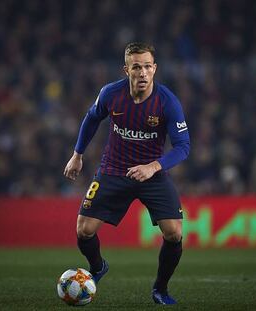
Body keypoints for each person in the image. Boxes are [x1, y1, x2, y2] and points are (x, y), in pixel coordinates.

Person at [63, 42, 190, 305]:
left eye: (147, 67)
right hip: (113, 170)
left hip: (152, 174)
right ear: (126, 70)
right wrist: (78, 154)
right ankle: (97, 267)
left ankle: (160, 289)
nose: (142, 72)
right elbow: (91, 118)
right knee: (83, 230)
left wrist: (154, 166)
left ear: (155, 69)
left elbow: (183, 147)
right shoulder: (111, 94)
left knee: (174, 233)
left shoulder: (168, 102)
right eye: (136, 67)